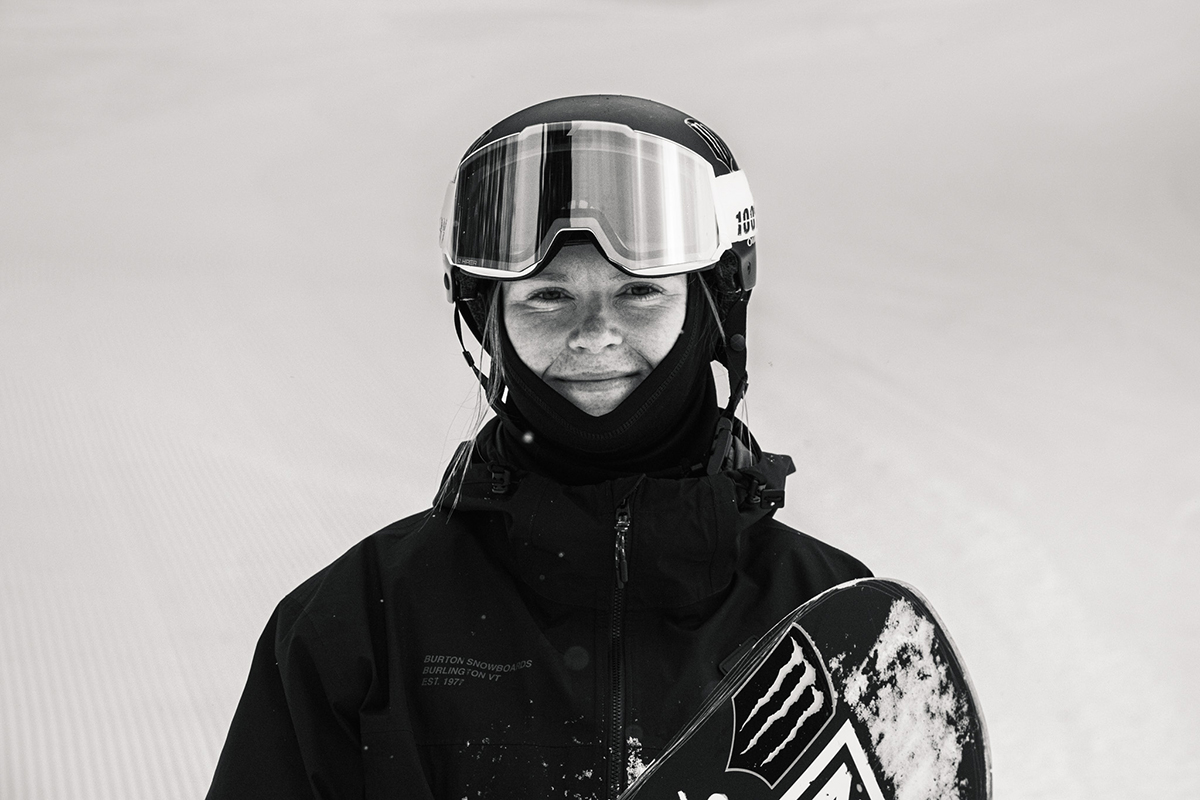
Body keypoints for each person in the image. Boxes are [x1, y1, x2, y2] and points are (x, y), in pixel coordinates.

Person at [205, 94, 871, 800]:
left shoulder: (830, 616)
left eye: (639, 292)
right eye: (549, 297)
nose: (594, 334)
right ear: (486, 318)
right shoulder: (360, 631)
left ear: (712, 308)